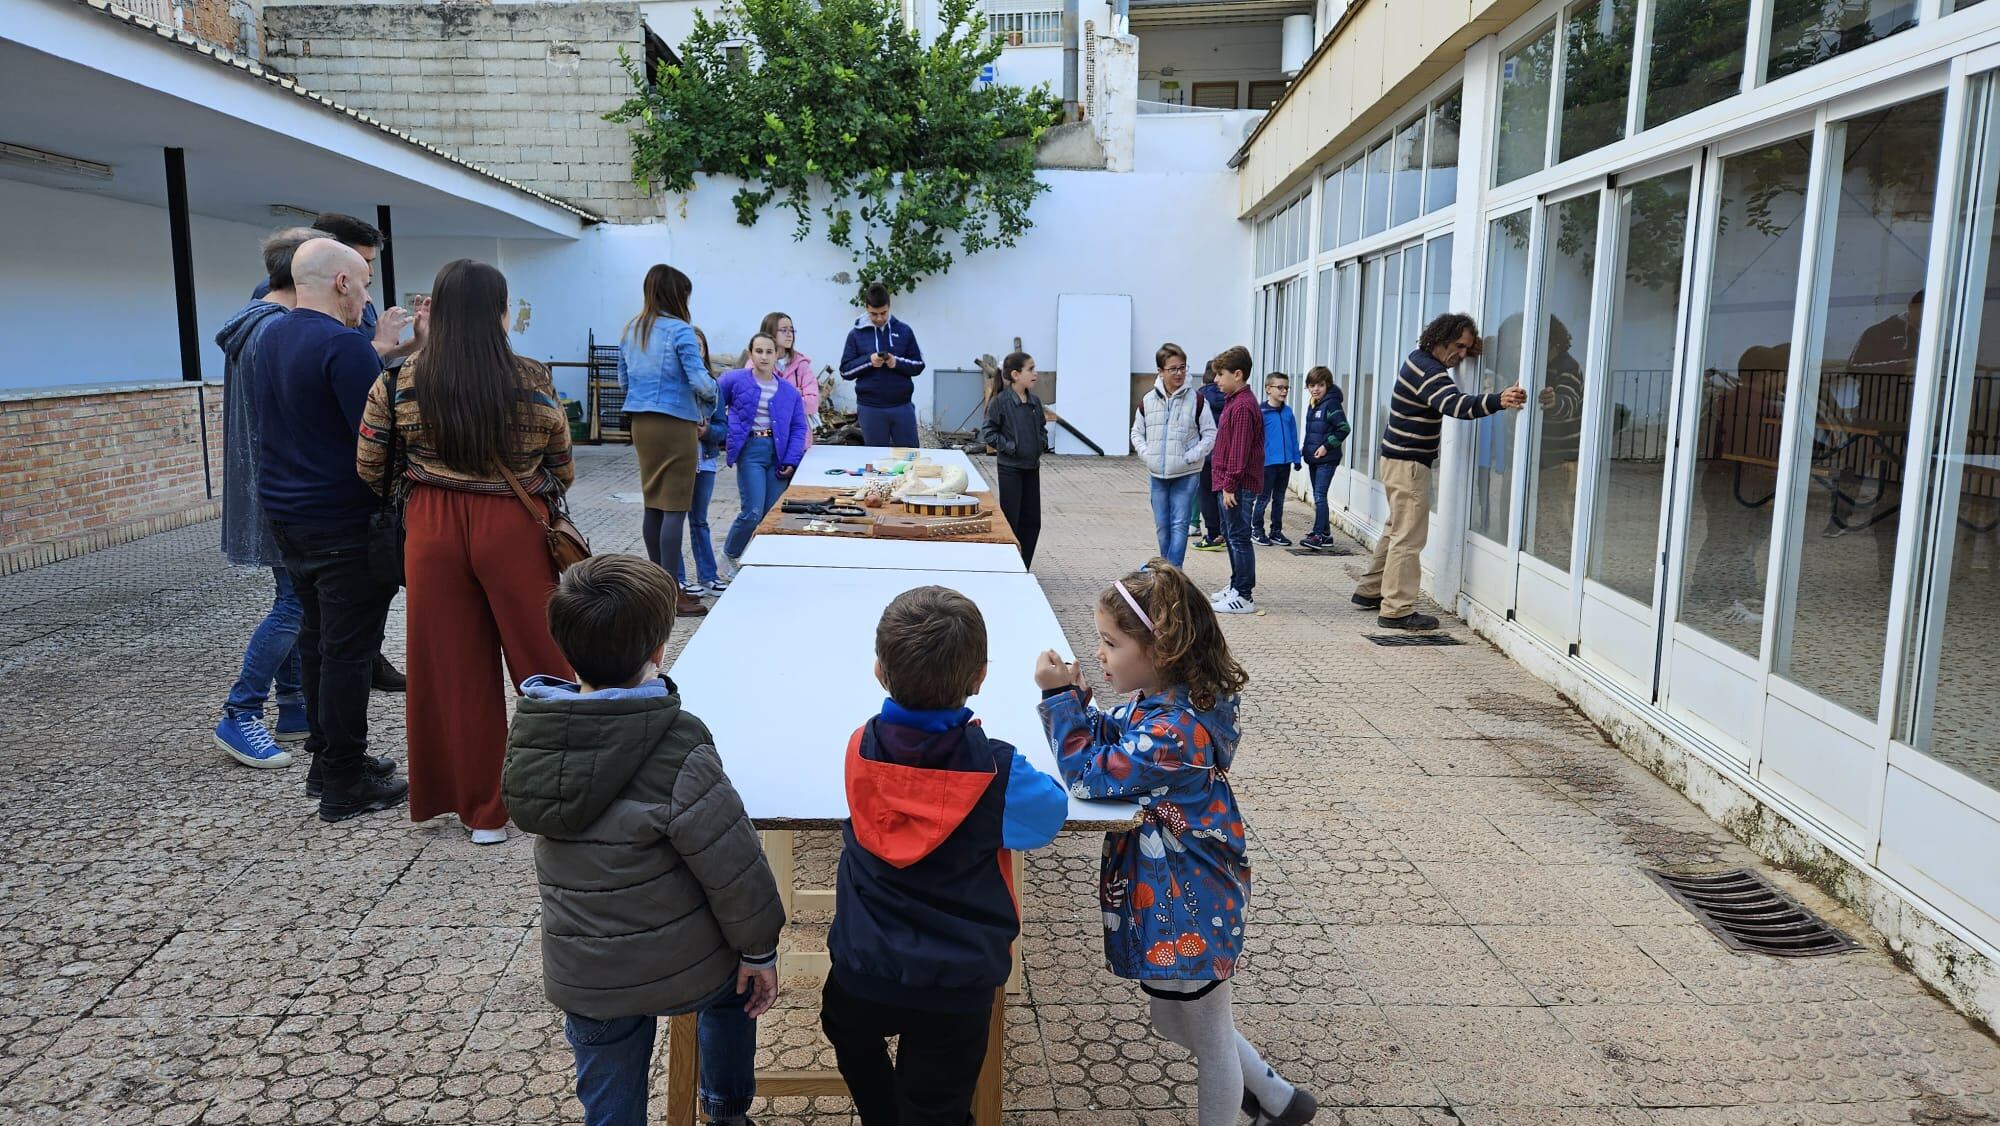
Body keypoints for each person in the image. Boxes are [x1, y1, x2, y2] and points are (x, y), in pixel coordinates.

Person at [1033, 561, 1318, 1126]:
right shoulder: (1167, 701)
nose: (1101, 654)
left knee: (1209, 1037)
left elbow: (1091, 773)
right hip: (1176, 893)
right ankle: (1282, 1101)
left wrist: (1063, 701)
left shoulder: (1173, 731)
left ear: (1159, 650)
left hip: (1193, 902)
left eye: (1111, 644)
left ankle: (1268, 1107)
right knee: (1172, 1020)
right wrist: (1086, 707)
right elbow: (1120, 738)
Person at [504, 554, 785, 1126]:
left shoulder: (537, 734)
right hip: (686, 964)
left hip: (585, 974)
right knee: (738, 989)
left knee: (608, 1097)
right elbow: (734, 868)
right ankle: (726, 1111)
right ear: (659, 651)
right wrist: (760, 948)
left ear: (565, 649)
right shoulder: (678, 744)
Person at [821, 586, 1066, 1126]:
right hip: (958, 981)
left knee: (845, 1031)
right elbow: (1049, 815)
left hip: (864, 966)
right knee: (939, 1107)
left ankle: (883, 1114)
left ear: (880, 673)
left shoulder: (860, 745)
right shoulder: (997, 772)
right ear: (980, 678)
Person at [358, 258, 575, 846]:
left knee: (452, 671)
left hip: (432, 527)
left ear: (441, 310)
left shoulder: (400, 379)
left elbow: (369, 463)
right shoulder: (532, 377)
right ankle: (570, 794)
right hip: (513, 522)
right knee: (545, 660)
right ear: (501, 313)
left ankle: (481, 813)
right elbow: (561, 464)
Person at [253, 237, 409, 821]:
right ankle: (345, 780)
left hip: (288, 517)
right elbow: (376, 441)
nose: (367, 297)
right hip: (343, 521)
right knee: (349, 650)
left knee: (318, 641)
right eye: (364, 283)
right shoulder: (345, 347)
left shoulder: (272, 337)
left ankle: (328, 762)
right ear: (341, 282)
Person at [214, 226, 321, 770]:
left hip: (270, 489)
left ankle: (294, 706)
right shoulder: (272, 332)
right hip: (279, 494)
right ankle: (240, 712)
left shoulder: (259, 324)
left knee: (295, 597)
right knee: (294, 604)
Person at [1355, 313, 1526, 631]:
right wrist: (1499, 400)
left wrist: (1478, 349)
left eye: (1466, 349)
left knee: (1396, 530)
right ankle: (1396, 610)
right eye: (1458, 347)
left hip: (1397, 460)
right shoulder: (1429, 370)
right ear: (1440, 339)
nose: (1461, 354)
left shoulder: (1420, 360)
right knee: (1408, 538)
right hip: (1409, 465)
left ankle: (1369, 591)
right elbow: (1454, 405)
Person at [620, 264, 715, 620]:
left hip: (641, 423)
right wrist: (710, 403)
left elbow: (622, 381)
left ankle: (654, 588)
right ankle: (670, 593)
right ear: (677, 295)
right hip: (676, 422)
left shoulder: (632, 330)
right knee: (675, 506)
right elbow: (700, 381)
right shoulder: (681, 331)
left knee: (653, 504)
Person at [718, 332, 811, 567]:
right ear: (750, 354)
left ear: (777, 354)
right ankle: (729, 556)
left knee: (771, 513)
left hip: (778, 455)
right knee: (752, 512)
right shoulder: (733, 380)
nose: (764, 356)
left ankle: (757, 559)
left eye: (769, 351)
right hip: (751, 451)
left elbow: (799, 426)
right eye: (759, 351)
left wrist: (791, 459)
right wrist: (725, 432)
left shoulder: (788, 391)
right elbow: (715, 404)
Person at [1130, 342, 1216, 568]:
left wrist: (1191, 456)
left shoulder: (1197, 400)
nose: (1179, 373)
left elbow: (1209, 434)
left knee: (1179, 524)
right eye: (1173, 369)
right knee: (1162, 526)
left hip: (1186, 474)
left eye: (1183, 368)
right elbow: (1136, 432)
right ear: (1160, 371)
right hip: (1157, 474)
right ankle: (1166, 571)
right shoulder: (1148, 400)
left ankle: (1173, 571)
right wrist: (1148, 455)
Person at [1207, 347, 1264, 615]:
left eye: (1221, 374)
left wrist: (1230, 484)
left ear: (1238, 374)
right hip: (1228, 483)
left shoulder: (1242, 406)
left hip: (1237, 485)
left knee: (1239, 537)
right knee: (1231, 536)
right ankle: (1235, 586)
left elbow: (1239, 451)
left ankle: (1243, 595)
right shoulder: (1234, 400)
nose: (1216, 379)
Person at [980, 352, 1050, 567]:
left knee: (1032, 522)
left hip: (1031, 468)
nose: (1035, 374)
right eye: (1031, 369)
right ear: (1015, 374)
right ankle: (1007, 565)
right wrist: (1011, 447)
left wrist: (1041, 444)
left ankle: (1023, 565)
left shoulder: (1035, 402)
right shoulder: (1001, 402)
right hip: (1010, 469)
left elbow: (1041, 428)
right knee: (1012, 520)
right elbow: (989, 432)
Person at [674, 328, 729, 598]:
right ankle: (679, 579)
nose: (695, 352)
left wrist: (706, 432)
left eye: (700, 347)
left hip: (704, 462)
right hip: (678, 461)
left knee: (699, 521)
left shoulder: (712, 385)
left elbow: (723, 428)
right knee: (673, 520)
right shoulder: (673, 386)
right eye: (690, 347)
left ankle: (708, 576)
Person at [838, 284, 927, 446]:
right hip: (870, 409)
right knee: (876, 460)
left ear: (889, 307)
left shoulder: (904, 331)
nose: (879, 318)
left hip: (902, 406)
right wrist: (869, 361)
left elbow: (919, 364)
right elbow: (845, 371)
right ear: (866, 308)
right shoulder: (855, 335)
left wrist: (896, 362)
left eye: (883, 313)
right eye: (874, 314)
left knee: (910, 458)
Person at [1298, 366, 1350, 551]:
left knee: (1320, 496)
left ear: (1327, 385)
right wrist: (1306, 448)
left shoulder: (1331, 404)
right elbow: (1313, 431)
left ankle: (1318, 535)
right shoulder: (1314, 404)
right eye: (1312, 385)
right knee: (1317, 496)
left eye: (1320, 385)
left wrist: (1326, 446)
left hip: (1327, 460)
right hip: (1313, 459)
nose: (1316, 389)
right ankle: (1326, 535)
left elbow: (1344, 428)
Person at [1250, 372, 1301, 547]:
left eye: (1286, 387)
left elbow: (1293, 436)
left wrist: (1296, 458)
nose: (1284, 391)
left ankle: (1276, 531)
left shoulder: (1288, 412)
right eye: (1280, 387)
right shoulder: (1260, 412)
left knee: (1279, 498)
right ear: (1268, 389)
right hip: (1267, 463)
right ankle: (1256, 529)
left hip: (1284, 463)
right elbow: (1253, 439)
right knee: (1263, 498)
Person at [762, 311, 820, 449]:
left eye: (792, 330)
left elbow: (812, 403)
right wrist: (794, 395)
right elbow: (758, 402)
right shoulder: (756, 363)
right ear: (770, 332)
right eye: (783, 330)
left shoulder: (802, 364)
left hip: (797, 441)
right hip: (766, 441)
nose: (789, 334)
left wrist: (779, 398)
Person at [1193, 361, 1228, 552]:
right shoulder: (1231, 396)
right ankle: (1227, 532)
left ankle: (1213, 534)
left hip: (1206, 454)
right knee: (1223, 493)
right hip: (1225, 454)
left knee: (1206, 494)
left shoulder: (1200, 397)